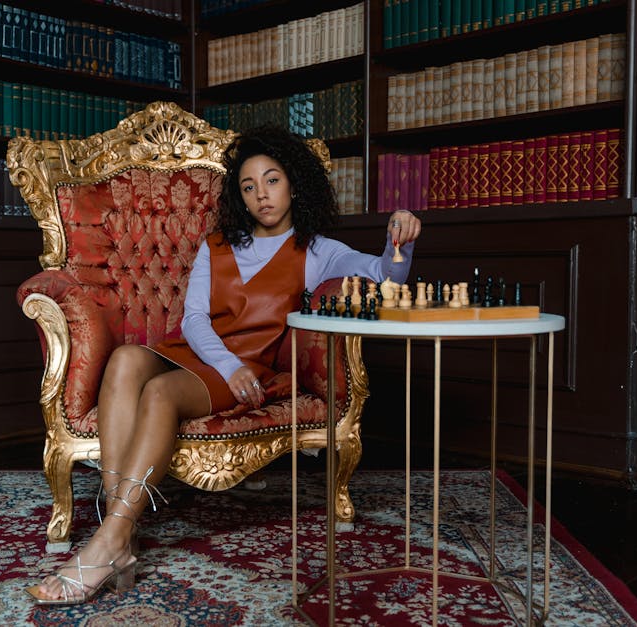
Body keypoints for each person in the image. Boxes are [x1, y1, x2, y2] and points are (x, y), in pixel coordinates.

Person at [26, 124, 422, 604]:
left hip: (254, 368)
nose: (262, 195)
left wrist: (400, 237)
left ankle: (109, 541)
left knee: (160, 393)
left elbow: (385, 276)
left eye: (272, 180)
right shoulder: (217, 245)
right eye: (249, 186)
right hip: (210, 353)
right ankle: (120, 534)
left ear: (294, 184)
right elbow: (193, 320)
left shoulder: (318, 251)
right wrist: (225, 364)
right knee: (126, 358)